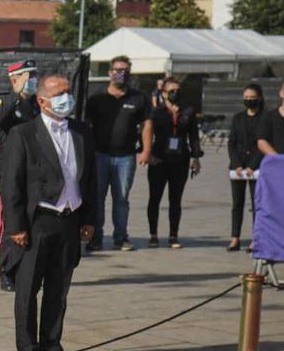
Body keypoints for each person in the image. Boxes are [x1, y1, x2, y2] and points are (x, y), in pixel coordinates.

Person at [0, 72, 97, 351]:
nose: (66, 98)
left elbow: (91, 178)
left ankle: (52, 347)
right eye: (59, 94)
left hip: (70, 219)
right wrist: (16, 226)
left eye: (68, 92)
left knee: (59, 289)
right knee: (28, 290)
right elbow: (11, 184)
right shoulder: (24, 134)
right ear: (42, 101)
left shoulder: (81, 131)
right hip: (37, 222)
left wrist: (90, 219)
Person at [82, 54, 148, 251]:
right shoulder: (97, 98)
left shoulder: (138, 98)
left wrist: (146, 151)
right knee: (98, 197)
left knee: (121, 198)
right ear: (110, 72)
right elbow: (86, 125)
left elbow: (147, 124)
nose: (121, 74)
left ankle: (121, 237)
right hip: (99, 155)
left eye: (125, 71)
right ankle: (96, 237)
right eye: (117, 70)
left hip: (126, 157)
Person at [0, 61, 41, 291]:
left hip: (34, 170)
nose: (34, 80)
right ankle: (7, 270)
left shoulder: (36, 105)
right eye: (29, 76)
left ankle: (26, 267)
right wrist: (17, 94)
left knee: (33, 218)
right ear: (15, 79)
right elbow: (0, 117)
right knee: (13, 218)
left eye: (35, 76)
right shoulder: (4, 101)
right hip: (10, 170)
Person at [142, 74, 200, 248]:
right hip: (159, 159)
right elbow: (145, 133)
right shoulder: (156, 112)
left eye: (178, 90)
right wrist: (147, 153)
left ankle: (173, 236)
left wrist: (195, 157)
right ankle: (153, 235)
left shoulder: (188, 111)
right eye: (171, 91)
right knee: (155, 198)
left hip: (180, 160)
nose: (175, 93)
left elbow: (194, 137)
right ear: (164, 93)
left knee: (175, 199)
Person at [224, 82, 266, 251]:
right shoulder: (238, 118)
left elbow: (263, 144)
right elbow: (231, 143)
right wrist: (237, 165)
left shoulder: (266, 118)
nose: (249, 101)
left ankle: (256, 239)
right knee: (237, 203)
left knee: (257, 205)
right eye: (246, 98)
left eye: (252, 98)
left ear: (259, 98)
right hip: (238, 168)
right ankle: (235, 237)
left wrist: (253, 165)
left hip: (257, 166)